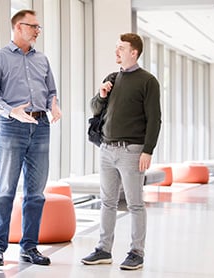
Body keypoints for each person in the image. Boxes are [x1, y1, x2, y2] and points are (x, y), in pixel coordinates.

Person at [0, 9, 61, 266]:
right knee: (5, 189)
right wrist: (11, 111)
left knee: (36, 193)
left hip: (40, 126)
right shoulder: (0, 57)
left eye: (38, 27)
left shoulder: (42, 59)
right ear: (18, 27)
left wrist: (54, 105)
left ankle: (29, 247)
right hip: (12, 126)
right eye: (33, 26)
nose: (38, 30)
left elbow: (51, 91)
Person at [81, 33, 161, 270]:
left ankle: (136, 252)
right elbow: (95, 109)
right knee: (107, 202)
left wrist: (148, 150)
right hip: (106, 148)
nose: (116, 52)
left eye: (121, 48)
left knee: (135, 203)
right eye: (116, 48)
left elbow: (155, 119)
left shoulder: (148, 81)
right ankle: (103, 249)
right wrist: (101, 94)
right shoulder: (112, 78)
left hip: (132, 151)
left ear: (133, 52)